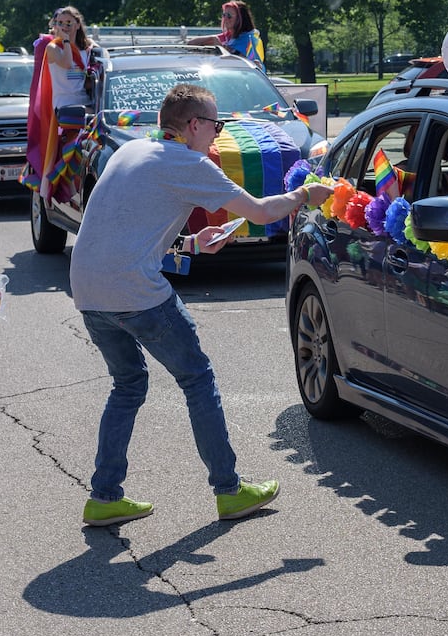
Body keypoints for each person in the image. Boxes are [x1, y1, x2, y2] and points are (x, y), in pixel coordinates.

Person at [69, 83, 332, 528]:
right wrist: (306, 195)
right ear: (193, 125)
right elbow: (263, 212)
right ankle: (229, 490)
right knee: (197, 378)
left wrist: (189, 244)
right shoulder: (189, 161)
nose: (218, 132)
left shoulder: (131, 151)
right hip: (134, 292)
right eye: (215, 123)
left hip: (88, 290)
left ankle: (104, 496)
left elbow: (124, 236)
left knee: (128, 386)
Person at [23, 7, 97, 203]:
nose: (64, 26)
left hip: (85, 103)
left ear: (78, 24)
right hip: (64, 108)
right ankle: (68, 193)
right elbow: (66, 62)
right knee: (72, 149)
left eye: (68, 23)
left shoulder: (87, 49)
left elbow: (101, 62)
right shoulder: (53, 47)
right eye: (60, 23)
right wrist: (65, 39)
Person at [187, 0, 265, 68]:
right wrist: (212, 38)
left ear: (240, 18)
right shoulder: (228, 37)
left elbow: (235, 63)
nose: (225, 19)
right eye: (224, 15)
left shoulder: (250, 40)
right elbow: (190, 43)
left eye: (229, 16)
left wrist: (219, 47)